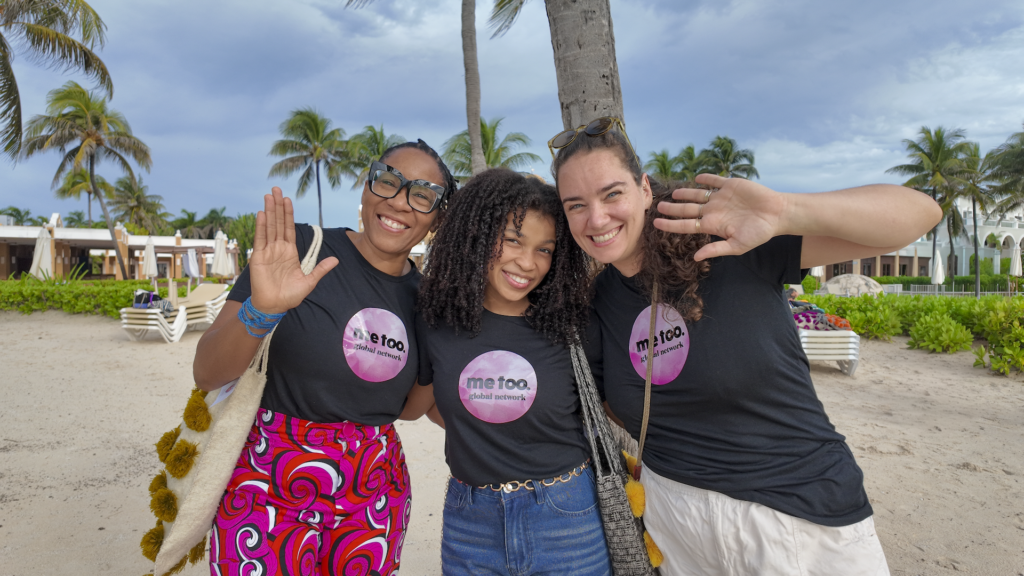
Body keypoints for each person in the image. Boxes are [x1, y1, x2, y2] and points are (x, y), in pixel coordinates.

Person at [549, 118, 941, 575]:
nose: (596, 218)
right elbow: (606, 404)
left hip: (796, 515)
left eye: (612, 194)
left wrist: (784, 210)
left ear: (644, 188)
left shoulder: (728, 241)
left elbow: (919, 214)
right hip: (676, 527)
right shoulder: (598, 303)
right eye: (576, 205)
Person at [192, 140, 457, 576]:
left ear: (437, 217)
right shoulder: (298, 248)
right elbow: (207, 372)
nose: (399, 202)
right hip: (267, 480)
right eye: (388, 181)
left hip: (372, 489)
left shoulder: (430, 301)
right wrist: (263, 311)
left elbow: (409, 410)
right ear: (367, 186)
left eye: (422, 195)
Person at [400, 168, 612, 576]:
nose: (527, 263)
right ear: (476, 237)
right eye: (513, 240)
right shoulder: (438, 323)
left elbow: (607, 408)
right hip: (470, 521)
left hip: (566, 517)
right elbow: (419, 406)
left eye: (544, 249)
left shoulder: (573, 326)